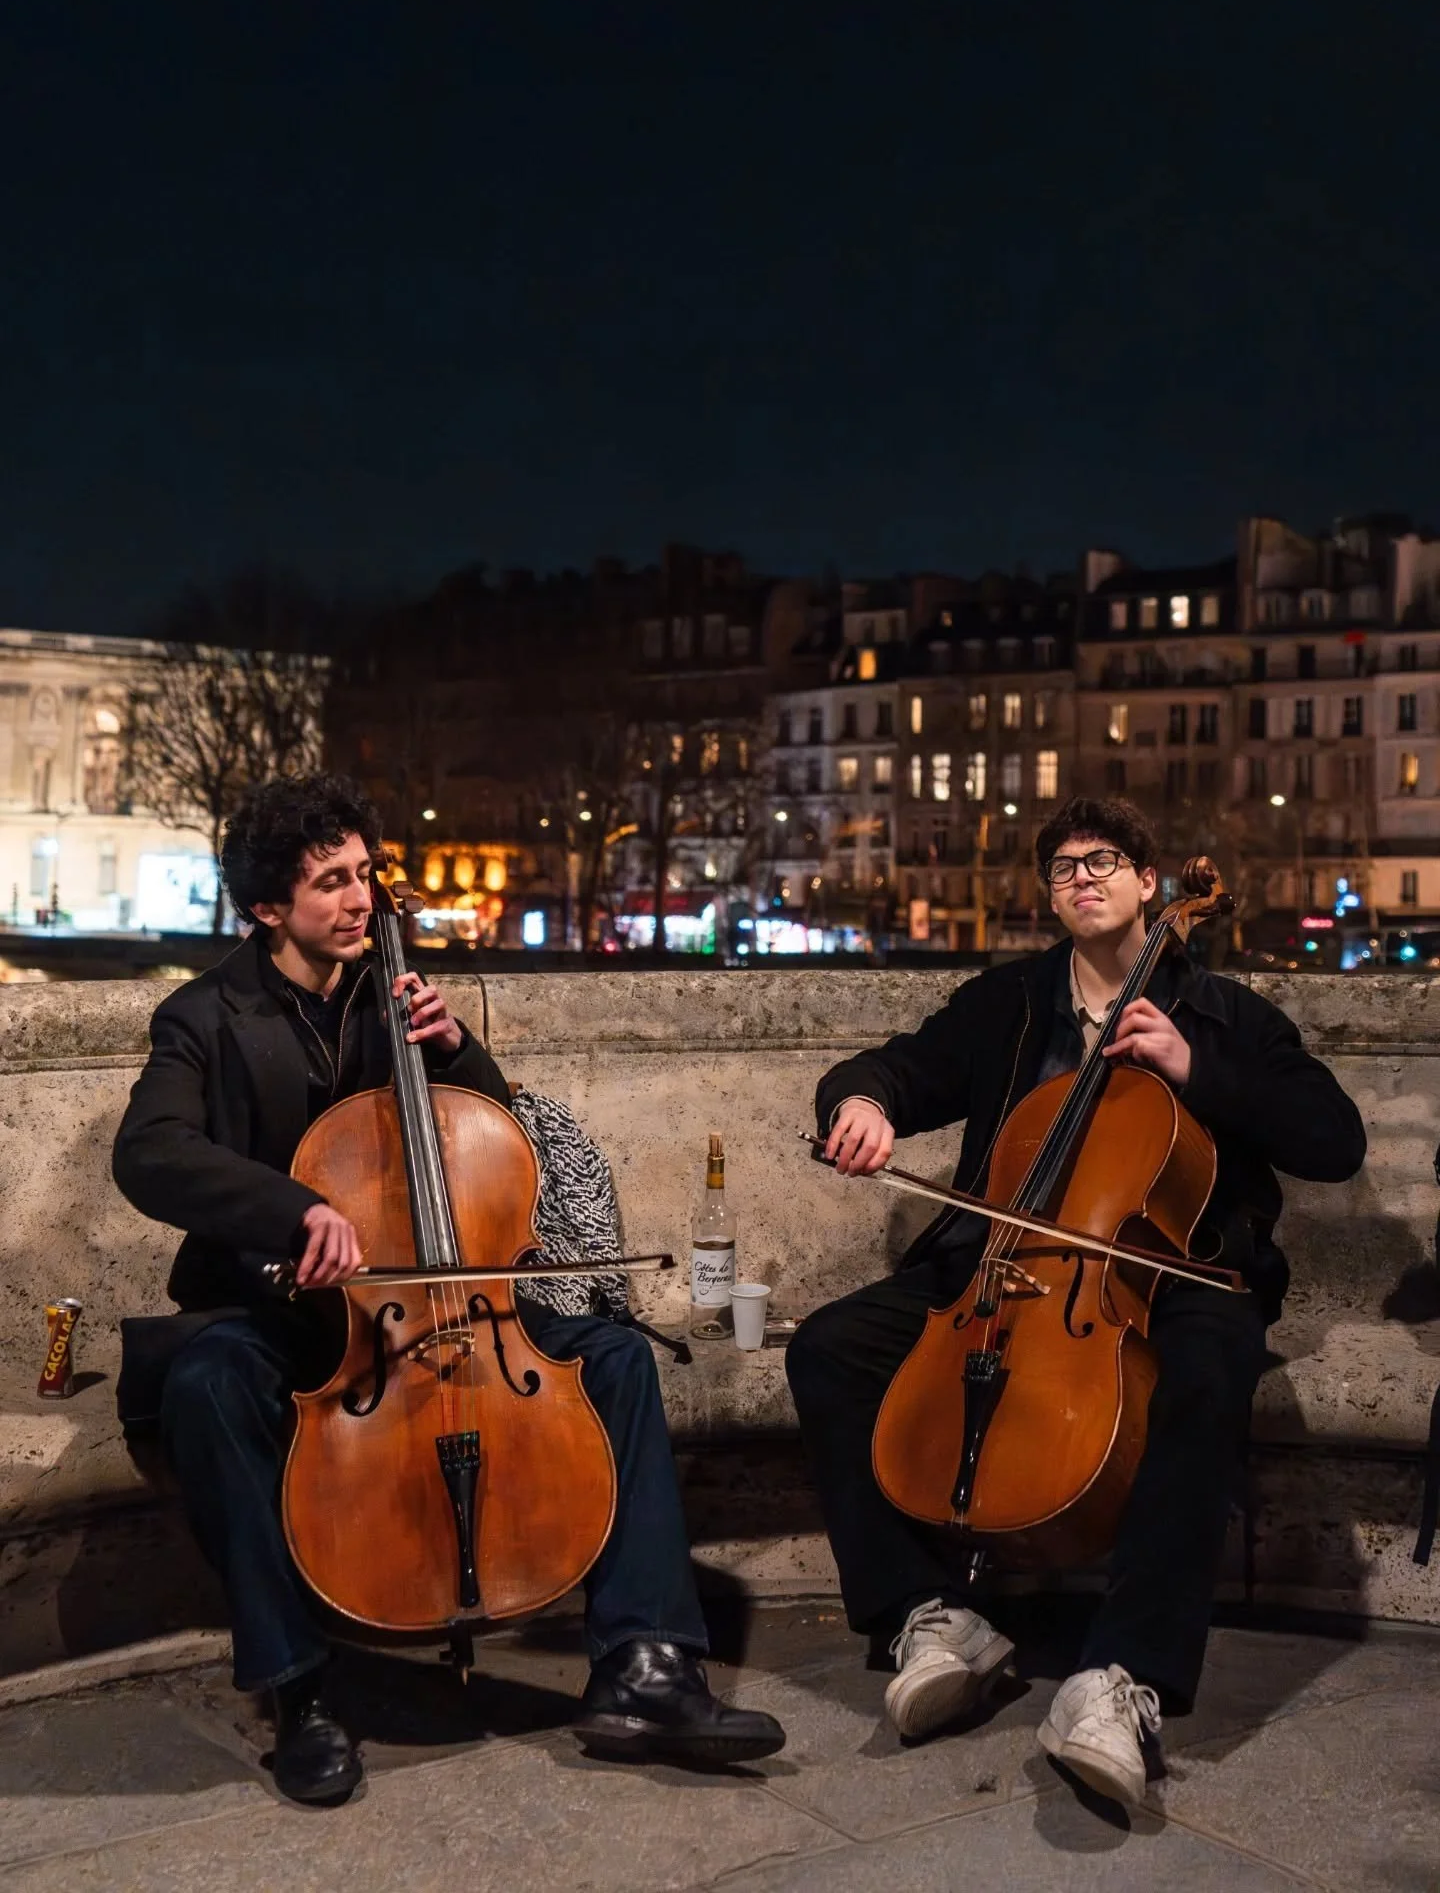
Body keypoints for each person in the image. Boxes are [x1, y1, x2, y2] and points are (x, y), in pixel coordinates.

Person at [113, 773, 783, 1805]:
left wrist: (458, 1050)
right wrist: (292, 1212)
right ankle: (299, 1690)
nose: (362, 899)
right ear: (267, 907)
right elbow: (150, 1153)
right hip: (286, 1311)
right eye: (332, 883)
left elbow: (496, 1147)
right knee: (208, 1386)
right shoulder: (203, 1016)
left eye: (365, 873)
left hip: (437, 1305)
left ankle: (646, 1663)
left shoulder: (398, 996)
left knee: (611, 1358)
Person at [786, 796, 1366, 1807]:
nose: (1083, 877)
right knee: (830, 1347)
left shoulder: (1226, 1015)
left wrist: (1194, 1067)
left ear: (1149, 882)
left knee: (1211, 1365)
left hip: (1174, 1272)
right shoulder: (1008, 1004)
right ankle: (930, 1614)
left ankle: (1122, 1674)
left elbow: (1333, 1139)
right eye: (1063, 867)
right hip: (1000, 1264)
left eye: (1103, 860)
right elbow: (894, 1068)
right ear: (1050, 897)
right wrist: (863, 1103)